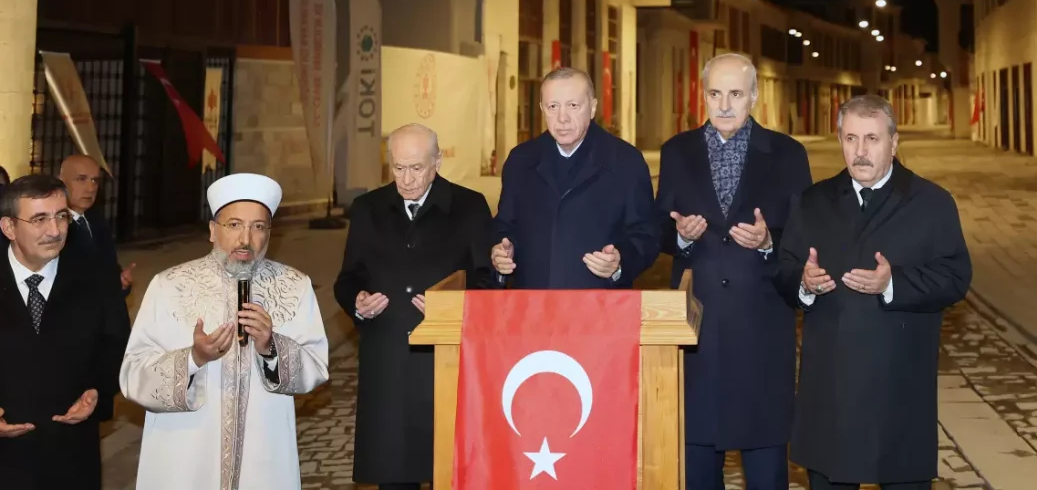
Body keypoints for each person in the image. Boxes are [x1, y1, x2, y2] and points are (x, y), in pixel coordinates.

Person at [776, 95, 972, 490]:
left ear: (894, 142)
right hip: (831, 391)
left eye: (871, 139)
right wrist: (804, 282)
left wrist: (893, 283)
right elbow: (784, 270)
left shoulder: (931, 203)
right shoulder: (813, 201)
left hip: (898, 390)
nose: (860, 152)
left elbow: (955, 277)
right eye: (850, 139)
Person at [657, 52, 812, 490]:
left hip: (761, 328)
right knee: (697, 465)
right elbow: (657, 231)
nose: (724, 105)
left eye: (736, 94)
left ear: (754, 96)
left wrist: (769, 242)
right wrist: (682, 237)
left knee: (766, 468)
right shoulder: (676, 151)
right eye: (715, 93)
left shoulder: (786, 154)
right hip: (696, 334)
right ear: (702, 95)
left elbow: (804, 238)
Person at [119, 172, 330, 490]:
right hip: (184, 460)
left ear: (270, 233)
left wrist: (271, 348)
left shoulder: (294, 286)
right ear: (212, 230)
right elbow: (132, 375)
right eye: (234, 225)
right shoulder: (168, 285)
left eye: (258, 227)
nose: (246, 239)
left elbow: (316, 368)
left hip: (264, 460)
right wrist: (193, 359)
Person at [335, 123, 494, 489]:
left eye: (416, 168)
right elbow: (348, 278)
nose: (406, 179)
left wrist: (453, 307)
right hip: (388, 360)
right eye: (397, 167)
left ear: (437, 162)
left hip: (445, 362)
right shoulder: (367, 209)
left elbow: (487, 281)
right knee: (394, 471)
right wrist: (357, 302)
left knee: (450, 469)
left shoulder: (469, 207)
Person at [0, 173, 130, 490]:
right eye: (40, 219)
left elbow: (117, 346)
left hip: (71, 454)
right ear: (9, 227)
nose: (55, 231)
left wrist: (98, 389)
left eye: (61, 216)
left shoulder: (97, 274)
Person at [491, 66, 660, 289]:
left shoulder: (625, 162)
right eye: (553, 106)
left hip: (600, 309)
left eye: (573, 106)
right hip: (534, 308)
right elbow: (504, 225)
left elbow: (646, 234)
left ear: (592, 108)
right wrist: (502, 251)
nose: (562, 118)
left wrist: (619, 263)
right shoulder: (521, 161)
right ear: (542, 109)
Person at [60, 154, 135, 295]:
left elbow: (109, 270)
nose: (90, 188)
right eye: (81, 179)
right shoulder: (53, 227)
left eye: (95, 180)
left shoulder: (96, 220)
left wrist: (121, 283)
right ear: (62, 183)